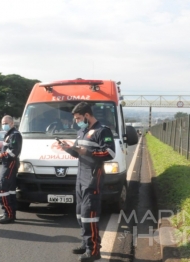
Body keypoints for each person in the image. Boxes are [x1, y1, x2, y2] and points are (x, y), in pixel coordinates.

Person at [61, 102, 115, 262]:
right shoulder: (81, 131)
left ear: (86, 115)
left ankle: (93, 251)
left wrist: (88, 151)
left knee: (89, 215)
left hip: (93, 179)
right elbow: (79, 153)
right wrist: (67, 148)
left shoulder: (102, 131)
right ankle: (86, 244)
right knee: (80, 215)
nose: (77, 121)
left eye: (78, 118)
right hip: (80, 178)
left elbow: (110, 152)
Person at [0, 115, 23, 224]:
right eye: (3, 123)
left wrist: (0, 156)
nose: (4, 125)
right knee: (10, 190)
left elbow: (13, 152)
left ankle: (8, 214)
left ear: (12, 123)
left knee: (2, 188)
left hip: (10, 164)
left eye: (6, 123)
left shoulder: (15, 135)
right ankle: (10, 212)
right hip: (7, 164)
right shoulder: (9, 134)